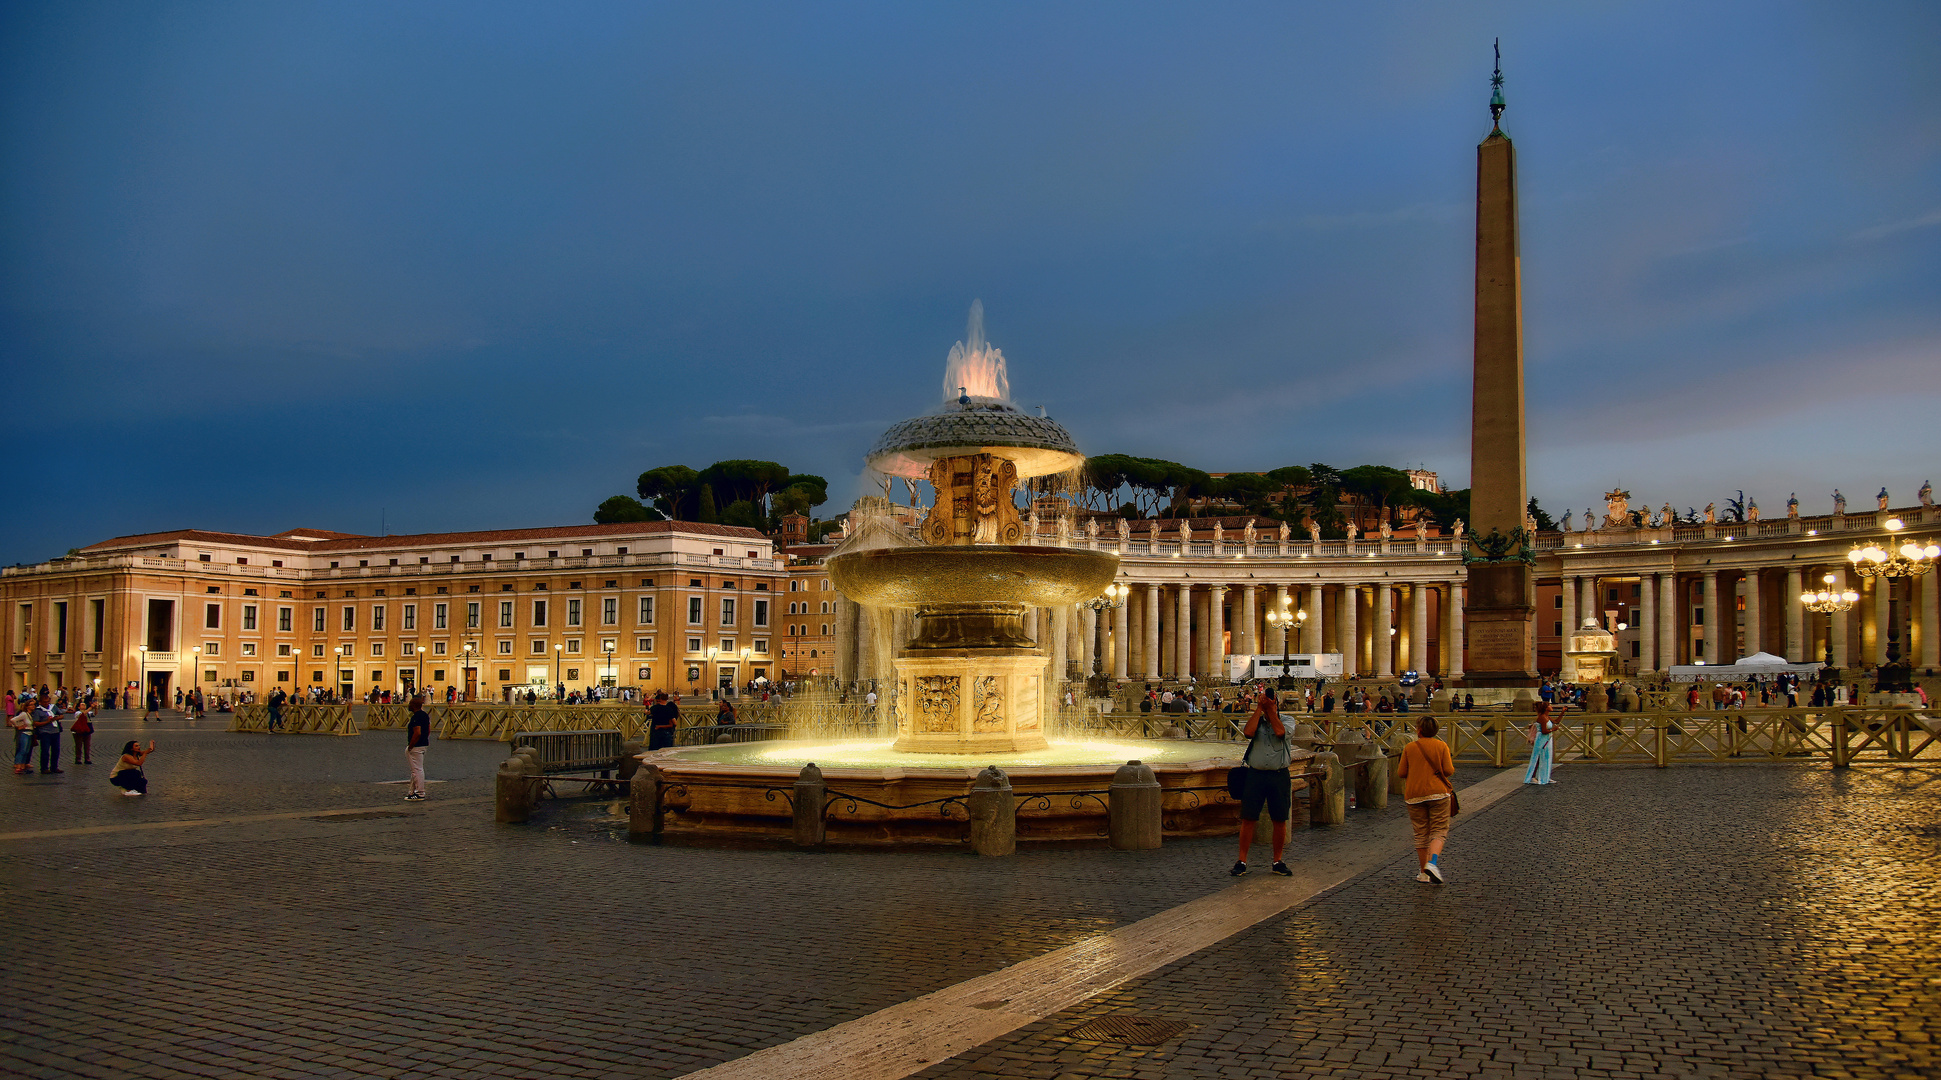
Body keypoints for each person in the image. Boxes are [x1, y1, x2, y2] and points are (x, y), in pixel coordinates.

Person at [1230, 693, 1294, 878]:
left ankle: (1277, 861)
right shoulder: (1256, 719)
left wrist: (1272, 712)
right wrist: (1259, 708)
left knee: (1279, 819)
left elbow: (1281, 732)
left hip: (1279, 774)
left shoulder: (1288, 720)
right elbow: (1248, 733)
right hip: (1255, 774)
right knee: (1248, 818)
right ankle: (1241, 861)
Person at [1397, 715, 1456, 884]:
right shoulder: (1441, 745)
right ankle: (1433, 863)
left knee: (1421, 832)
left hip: (1414, 794)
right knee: (1438, 830)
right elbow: (1448, 770)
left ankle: (1423, 873)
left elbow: (1401, 773)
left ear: (1419, 730)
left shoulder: (1409, 747)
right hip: (1438, 793)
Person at [1524, 701, 1562, 785]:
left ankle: (1545, 776)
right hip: (1542, 738)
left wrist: (1562, 712)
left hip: (1547, 738)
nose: (1551, 706)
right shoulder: (1542, 717)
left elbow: (1556, 721)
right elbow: (1544, 731)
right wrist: (1553, 729)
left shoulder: (1546, 716)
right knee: (1538, 757)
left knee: (1546, 757)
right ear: (1545, 708)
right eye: (1549, 705)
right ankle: (1532, 777)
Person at [404, 694, 430, 801]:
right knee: (416, 769)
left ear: (414, 706)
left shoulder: (416, 717)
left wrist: (411, 745)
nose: (408, 705)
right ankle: (412, 792)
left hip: (416, 746)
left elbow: (417, 732)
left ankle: (420, 793)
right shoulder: (425, 715)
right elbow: (428, 730)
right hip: (423, 744)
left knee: (416, 770)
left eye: (410, 703)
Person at [32, 697, 65, 775]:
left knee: (56, 750)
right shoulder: (38, 711)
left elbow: (62, 715)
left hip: (55, 731)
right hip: (44, 732)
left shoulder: (53, 707)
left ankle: (54, 767)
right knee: (45, 751)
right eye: (44, 702)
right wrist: (47, 721)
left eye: (47, 702)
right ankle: (44, 768)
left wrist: (56, 718)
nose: (46, 704)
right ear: (40, 702)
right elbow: (35, 723)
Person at [10, 695, 33, 776]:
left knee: (26, 751)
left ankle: (22, 766)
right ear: (27, 706)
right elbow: (13, 720)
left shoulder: (30, 714)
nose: (33, 706)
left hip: (30, 733)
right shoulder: (23, 714)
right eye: (31, 705)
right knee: (22, 750)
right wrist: (18, 726)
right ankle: (18, 766)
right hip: (24, 733)